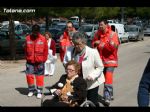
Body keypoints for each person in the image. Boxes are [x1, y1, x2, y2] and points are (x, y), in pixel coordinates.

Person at [63, 32, 105, 106]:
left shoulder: (93, 52)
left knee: (92, 102)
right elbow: (65, 62)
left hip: (91, 83)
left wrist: (92, 75)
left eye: (78, 44)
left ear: (84, 42)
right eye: (74, 44)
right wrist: (69, 69)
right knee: (78, 102)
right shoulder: (70, 50)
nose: (76, 46)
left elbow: (100, 67)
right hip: (77, 83)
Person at [91, 19, 120, 106]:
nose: (100, 26)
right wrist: (95, 43)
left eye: (102, 25)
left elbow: (113, 48)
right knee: (101, 79)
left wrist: (100, 44)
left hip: (111, 61)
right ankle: (109, 94)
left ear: (106, 25)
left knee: (108, 78)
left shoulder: (113, 34)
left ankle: (107, 97)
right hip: (100, 61)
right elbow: (93, 44)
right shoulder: (97, 33)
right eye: (99, 25)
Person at [24, 24, 48, 99]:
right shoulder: (27, 38)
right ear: (32, 31)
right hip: (30, 61)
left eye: (36, 32)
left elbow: (45, 51)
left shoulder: (43, 39)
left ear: (39, 32)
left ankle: (39, 91)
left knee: (39, 77)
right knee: (29, 76)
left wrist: (43, 60)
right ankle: (31, 90)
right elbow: (25, 50)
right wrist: (27, 58)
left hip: (40, 61)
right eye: (34, 32)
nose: (35, 33)